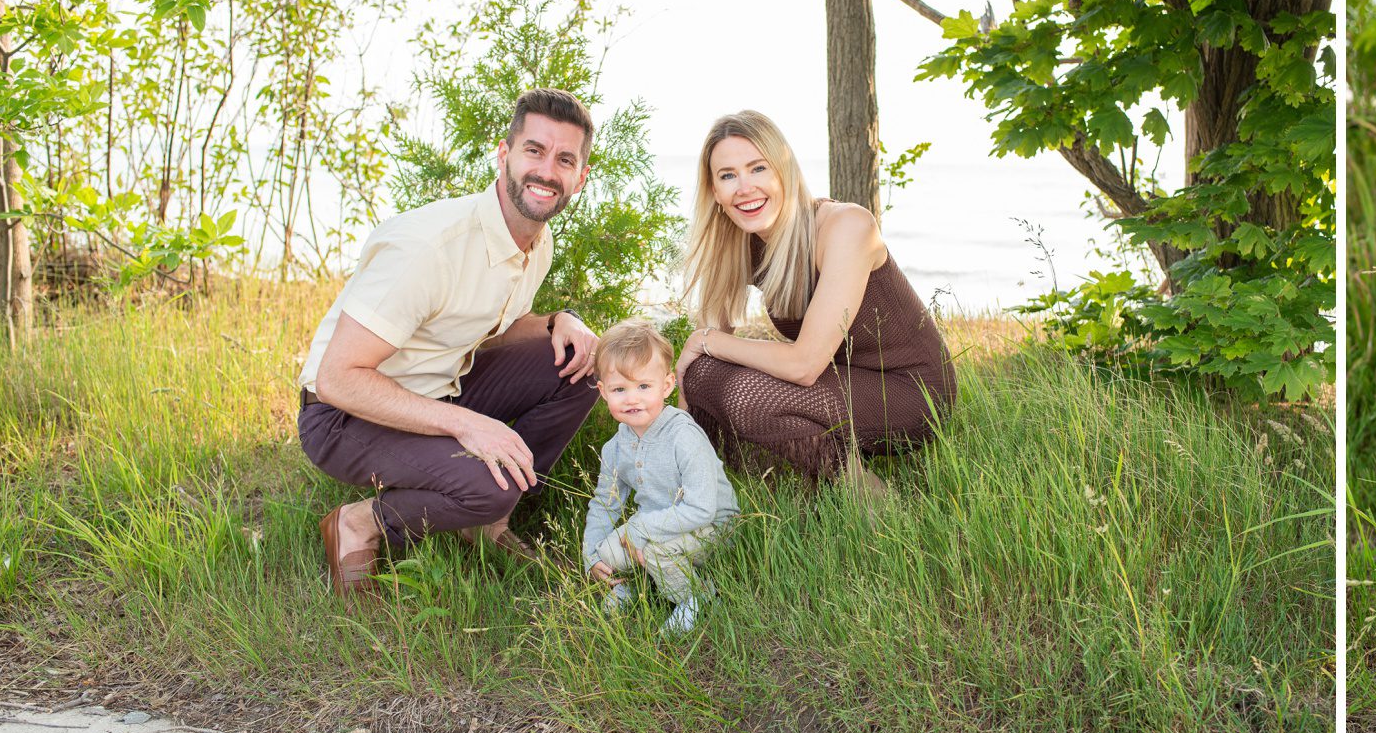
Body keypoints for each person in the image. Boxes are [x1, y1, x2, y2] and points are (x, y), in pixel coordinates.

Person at [298, 88, 603, 597]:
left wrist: (560, 320)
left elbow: (494, 329)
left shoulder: (535, 239)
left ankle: (483, 520)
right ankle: (359, 523)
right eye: (534, 150)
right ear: (504, 155)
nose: (547, 171)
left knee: (581, 364)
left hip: (440, 389)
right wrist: (467, 426)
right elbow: (337, 379)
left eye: (564, 159)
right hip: (343, 416)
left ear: (580, 177)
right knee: (490, 483)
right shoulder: (429, 247)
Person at [674, 110, 956, 485]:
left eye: (758, 168)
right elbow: (701, 361)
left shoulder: (847, 226)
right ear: (714, 191)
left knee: (747, 392)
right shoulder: (738, 241)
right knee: (703, 373)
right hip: (840, 382)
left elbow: (803, 365)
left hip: (910, 392)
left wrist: (705, 341)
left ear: (784, 171)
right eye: (728, 176)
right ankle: (716, 493)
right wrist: (689, 390)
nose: (744, 187)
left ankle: (865, 495)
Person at [580, 319, 738, 636]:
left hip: (712, 525)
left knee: (656, 551)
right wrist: (590, 555)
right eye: (620, 389)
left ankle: (696, 596)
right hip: (657, 524)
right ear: (603, 392)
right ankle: (635, 585)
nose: (632, 398)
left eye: (643, 386)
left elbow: (702, 509)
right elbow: (605, 503)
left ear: (666, 386)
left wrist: (639, 529)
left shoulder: (684, 435)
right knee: (607, 553)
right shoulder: (615, 447)